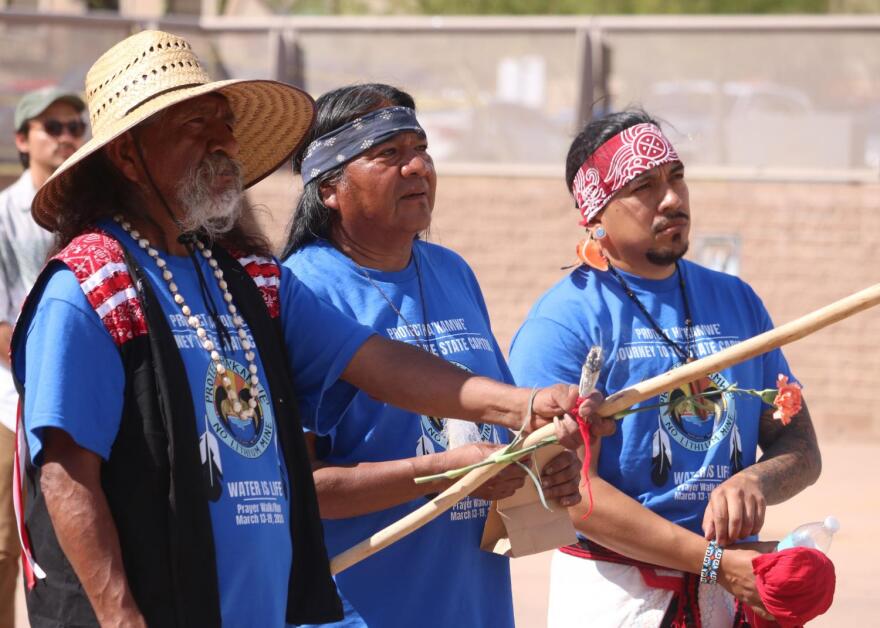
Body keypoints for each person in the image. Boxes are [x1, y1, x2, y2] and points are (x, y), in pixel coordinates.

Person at [10, 31, 598, 628]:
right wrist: (119, 617)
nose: (223, 143)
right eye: (194, 126)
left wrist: (520, 405)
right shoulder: (88, 286)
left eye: (224, 123)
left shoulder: (246, 277)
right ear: (128, 157)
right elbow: (64, 471)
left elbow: (378, 361)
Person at [282, 83, 592, 628]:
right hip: (355, 613)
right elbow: (295, 487)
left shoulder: (452, 271)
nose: (417, 167)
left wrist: (544, 465)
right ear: (329, 187)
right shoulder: (300, 292)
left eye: (421, 148)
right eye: (388, 154)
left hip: (475, 608)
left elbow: (493, 437)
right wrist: (441, 474)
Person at [508, 110, 822, 627]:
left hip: (735, 589)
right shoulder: (562, 322)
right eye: (643, 186)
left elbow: (801, 448)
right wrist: (715, 563)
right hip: (618, 599)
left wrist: (755, 483)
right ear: (596, 211)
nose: (672, 198)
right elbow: (567, 490)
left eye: (676, 177)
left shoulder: (736, 301)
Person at [0, 85, 87, 628]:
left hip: (82, 392)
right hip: (11, 398)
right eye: (51, 128)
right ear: (22, 140)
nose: (65, 138)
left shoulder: (86, 211)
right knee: (7, 543)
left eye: (75, 127)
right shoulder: (4, 214)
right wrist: (56, 351)